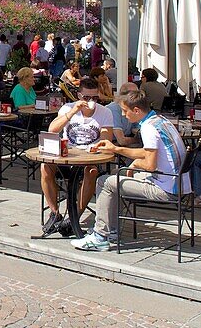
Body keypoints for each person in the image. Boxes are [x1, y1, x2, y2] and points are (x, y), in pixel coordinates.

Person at [71, 88, 190, 252]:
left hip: (166, 188)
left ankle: (100, 236)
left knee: (103, 181)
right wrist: (116, 149)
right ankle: (111, 229)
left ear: (136, 110)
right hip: (178, 182)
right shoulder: (160, 120)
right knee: (115, 177)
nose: (124, 115)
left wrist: (134, 164)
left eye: (125, 111)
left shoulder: (148, 128)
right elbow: (149, 152)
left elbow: (149, 164)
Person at [40, 77, 114, 236]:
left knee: (91, 172)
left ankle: (74, 217)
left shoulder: (105, 112)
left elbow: (107, 139)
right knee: (45, 166)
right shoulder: (68, 108)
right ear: (79, 96)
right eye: (87, 97)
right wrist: (73, 111)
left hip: (89, 158)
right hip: (67, 156)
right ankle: (54, 213)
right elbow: (52, 129)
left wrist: (99, 144)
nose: (91, 101)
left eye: (95, 98)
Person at [106, 82, 141, 147]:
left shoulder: (132, 107)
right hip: (113, 145)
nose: (137, 98)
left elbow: (136, 128)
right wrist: (138, 139)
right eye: (134, 95)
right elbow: (121, 141)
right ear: (123, 96)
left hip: (125, 142)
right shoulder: (113, 109)